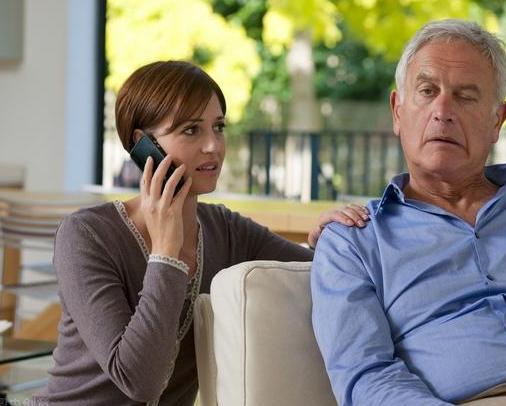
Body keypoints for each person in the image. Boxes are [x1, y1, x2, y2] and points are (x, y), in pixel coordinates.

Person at [311, 19, 506, 406]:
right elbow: (367, 376)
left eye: (466, 96)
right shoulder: (353, 241)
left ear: (497, 120)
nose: (443, 111)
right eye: (427, 91)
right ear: (397, 111)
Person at [32, 60, 368, 405]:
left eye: (218, 127)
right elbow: (139, 380)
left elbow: (325, 271)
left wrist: (329, 239)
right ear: (144, 144)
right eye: (191, 130)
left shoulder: (225, 229)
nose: (213, 146)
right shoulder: (86, 235)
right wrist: (166, 254)